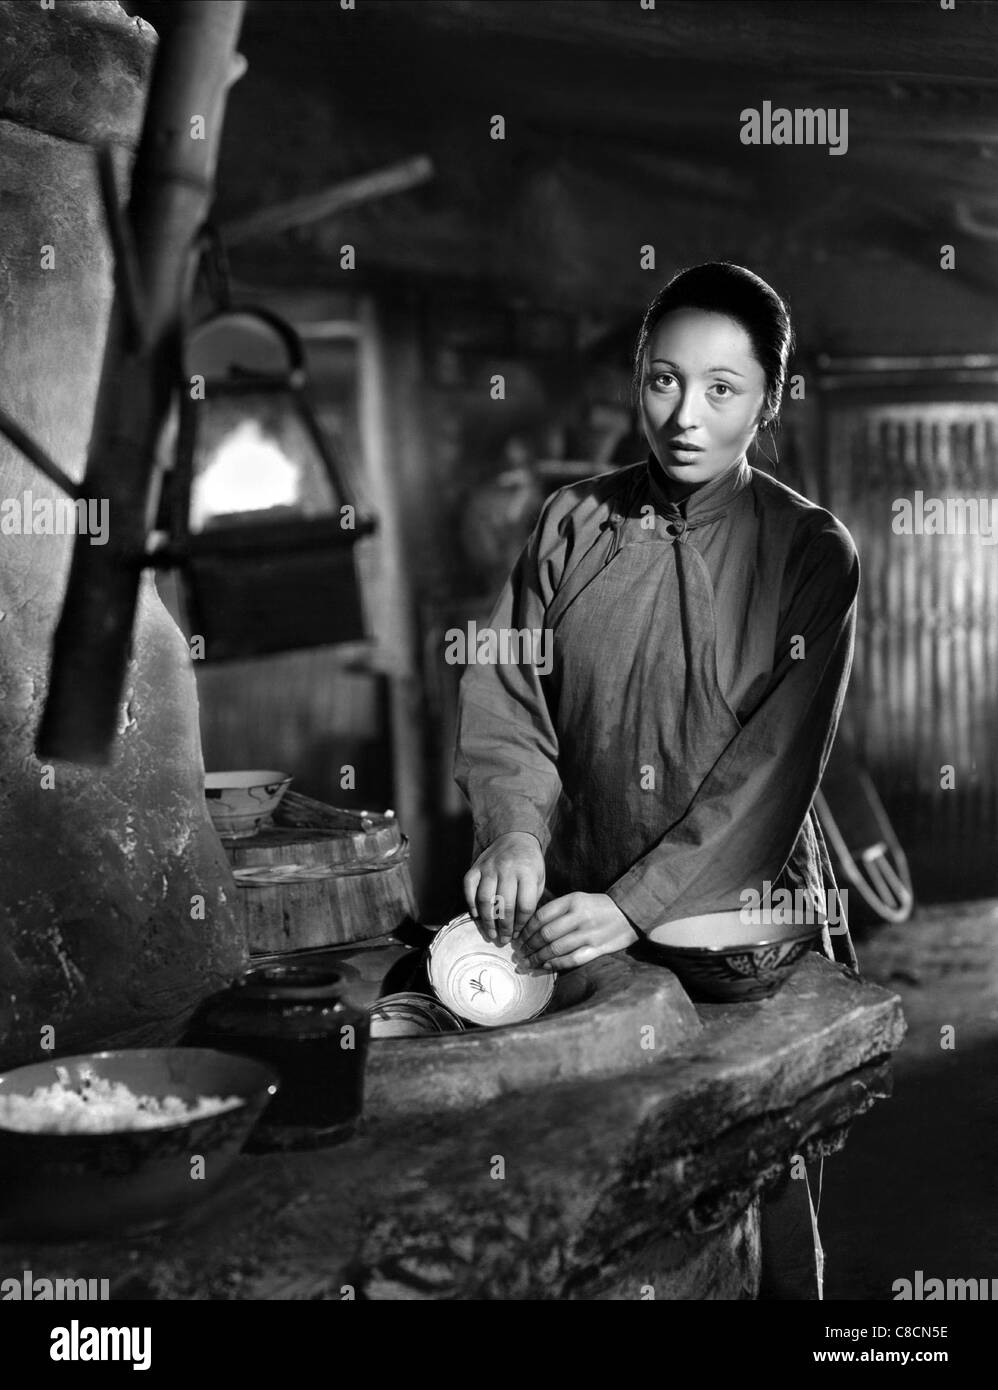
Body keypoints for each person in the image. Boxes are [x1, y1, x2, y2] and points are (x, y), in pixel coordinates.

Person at [453, 261, 862, 1298]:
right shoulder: (568, 525)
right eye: (664, 380)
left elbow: (764, 775)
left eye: (722, 389)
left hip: (723, 918)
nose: (684, 416)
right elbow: (511, 702)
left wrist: (633, 906)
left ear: (766, 401)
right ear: (638, 377)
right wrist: (512, 830)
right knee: (588, 1173)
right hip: (578, 897)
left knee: (728, 1174)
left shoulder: (807, 551)